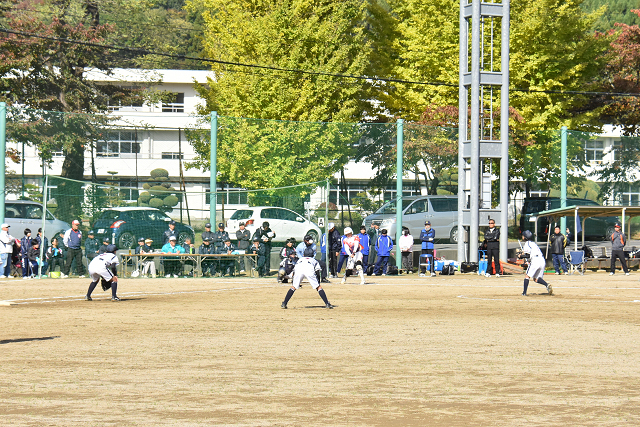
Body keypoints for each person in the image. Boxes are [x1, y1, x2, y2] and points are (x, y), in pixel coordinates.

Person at [518, 230, 553, 296]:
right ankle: (547, 285)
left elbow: (528, 255)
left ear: (525, 237)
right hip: (542, 260)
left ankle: (524, 293)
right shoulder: (533, 243)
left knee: (527, 276)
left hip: (535, 260)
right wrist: (522, 253)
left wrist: (520, 256)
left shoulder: (527, 243)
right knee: (536, 279)